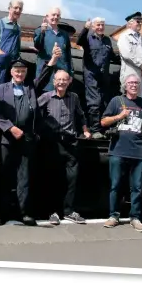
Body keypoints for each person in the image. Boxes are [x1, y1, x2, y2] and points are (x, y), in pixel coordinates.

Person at [0, 48, 61, 226]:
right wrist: (10, 128)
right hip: (8, 139)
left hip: (27, 139)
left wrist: (53, 60)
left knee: (25, 178)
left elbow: (44, 78)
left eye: (23, 71)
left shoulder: (29, 88)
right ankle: (2, 213)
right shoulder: (2, 88)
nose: (20, 74)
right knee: (5, 177)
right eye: (17, 71)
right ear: (11, 72)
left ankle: (25, 213)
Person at [101, 73, 142, 232]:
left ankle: (135, 217)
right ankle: (113, 216)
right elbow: (103, 121)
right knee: (115, 185)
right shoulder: (117, 101)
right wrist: (119, 116)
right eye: (131, 82)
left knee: (137, 187)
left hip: (139, 151)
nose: (134, 85)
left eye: (137, 83)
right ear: (125, 85)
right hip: (118, 150)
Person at [38, 70, 92, 225]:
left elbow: (81, 115)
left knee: (72, 179)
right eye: (58, 80)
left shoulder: (74, 98)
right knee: (53, 179)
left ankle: (68, 211)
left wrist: (85, 130)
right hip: (52, 143)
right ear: (54, 82)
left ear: (69, 82)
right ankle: (52, 212)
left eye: (64, 80)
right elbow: (34, 113)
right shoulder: (46, 97)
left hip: (70, 143)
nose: (61, 82)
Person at [0, 0, 24, 132]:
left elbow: (17, 48)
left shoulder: (18, 28)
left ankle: (7, 123)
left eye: (20, 9)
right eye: (16, 8)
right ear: (9, 8)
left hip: (13, 63)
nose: (18, 11)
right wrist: (0, 52)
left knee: (10, 93)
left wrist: (31, 49)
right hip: (0, 62)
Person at [76, 17, 116, 139]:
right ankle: (94, 129)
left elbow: (112, 56)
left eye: (102, 25)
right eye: (98, 25)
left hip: (104, 77)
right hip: (91, 75)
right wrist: (85, 28)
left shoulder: (107, 40)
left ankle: (104, 129)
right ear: (93, 26)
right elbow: (79, 41)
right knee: (94, 102)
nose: (100, 27)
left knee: (104, 102)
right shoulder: (88, 38)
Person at [33, 7, 73, 92]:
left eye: (58, 15)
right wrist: (42, 32)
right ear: (47, 17)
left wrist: (71, 73)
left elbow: (68, 55)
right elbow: (37, 46)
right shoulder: (39, 30)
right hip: (45, 72)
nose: (55, 17)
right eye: (53, 15)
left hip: (61, 73)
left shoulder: (64, 35)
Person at [117, 12, 142, 99]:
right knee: (130, 99)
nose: (140, 24)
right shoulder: (124, 36)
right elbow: (127, 55)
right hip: (131, 74)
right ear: (130, 23)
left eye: (141, 22)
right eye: (138, 21)